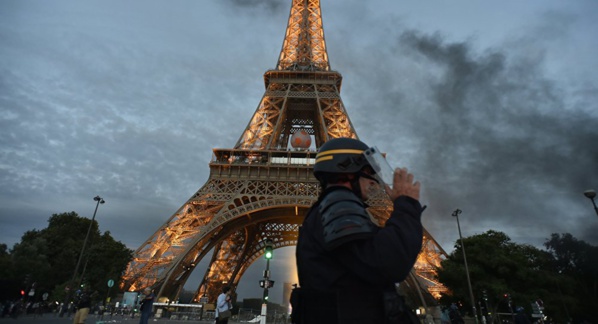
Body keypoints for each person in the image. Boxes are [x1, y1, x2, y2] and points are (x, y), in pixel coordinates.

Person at [292, 137, 425, 323]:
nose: (374, 181)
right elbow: (391, 262)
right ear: (347, 170)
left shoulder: (333, 208)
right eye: (368, 171)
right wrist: (406, 205)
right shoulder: (339, 205)